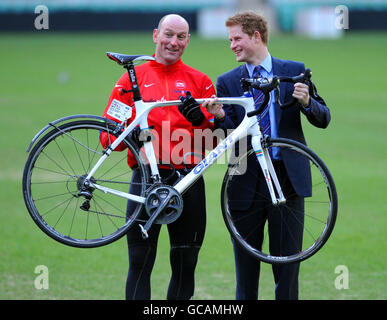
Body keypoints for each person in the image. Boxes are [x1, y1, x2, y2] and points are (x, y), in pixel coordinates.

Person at [203, 11, 331, 300]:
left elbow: (324, 118)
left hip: (288, 182)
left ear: (256, 36)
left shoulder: (294, 70)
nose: (232, 45)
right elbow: (227, 139)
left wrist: (308, 101)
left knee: (287, 275)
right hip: (245, 183)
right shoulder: (227, 81)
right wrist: (220, 117)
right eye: (230, 39)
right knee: (245, 278)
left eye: (237, 38)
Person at [101, 14, 217, 300]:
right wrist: (131, 135)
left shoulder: (201, 81)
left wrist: (202, 119)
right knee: (139, 264)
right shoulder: (130, 80)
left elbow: (217, 141)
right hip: (145, 181)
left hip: (188, 181)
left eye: (181, 37)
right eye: (168, 34)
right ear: (155, 35)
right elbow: (107, 140)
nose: (173, 42)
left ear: (188, 41)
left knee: (185, 265)